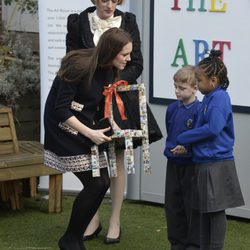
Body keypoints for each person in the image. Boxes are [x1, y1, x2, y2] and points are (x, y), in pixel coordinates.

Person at [66, 0, 162, 244]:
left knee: (117, 158)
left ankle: (115, 220)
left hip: (118, 98)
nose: (109, 5)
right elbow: (72, 59)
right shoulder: (77, 22)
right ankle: (92, 218)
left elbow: (136, 62)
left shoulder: (128, 20)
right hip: (87, 98)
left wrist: (112, 81)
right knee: (90, 159)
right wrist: (96, 82)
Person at [43, 27, 133, 250]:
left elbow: (97, 104)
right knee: (96, 183)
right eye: (125, 54)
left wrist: (112, 126)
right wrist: (90, 132)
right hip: (61, 127)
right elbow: (60, 109)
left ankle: (72, 239)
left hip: (84, 126)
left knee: (101, 182)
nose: (129, 59)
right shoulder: (78, 65)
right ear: (111, 51)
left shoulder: (109, 69)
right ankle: (70, 240)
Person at [175, 50, 245, 250]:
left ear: (213, 80)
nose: (196, 83)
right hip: (205, 162)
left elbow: (213, 128)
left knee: (214, 212)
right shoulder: (209, 97)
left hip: (216, 163)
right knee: (204, 211)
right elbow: (202, 128)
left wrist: (183, 137)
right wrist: (187, 145)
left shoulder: (219, 98)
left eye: (199, 79)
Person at [164, 66, 201, 250]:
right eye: (175, 87)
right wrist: (173, 149)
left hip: (192, 164)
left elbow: (200, 136)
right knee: (173, 205)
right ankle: (176, 243)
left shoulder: (200, 110)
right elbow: (171, 133)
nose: (177, 91)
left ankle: (193, 244)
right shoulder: (171, 109)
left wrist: (187, 148)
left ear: (195, 88)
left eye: (182, 88)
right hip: (173, 162)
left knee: (192, 206)